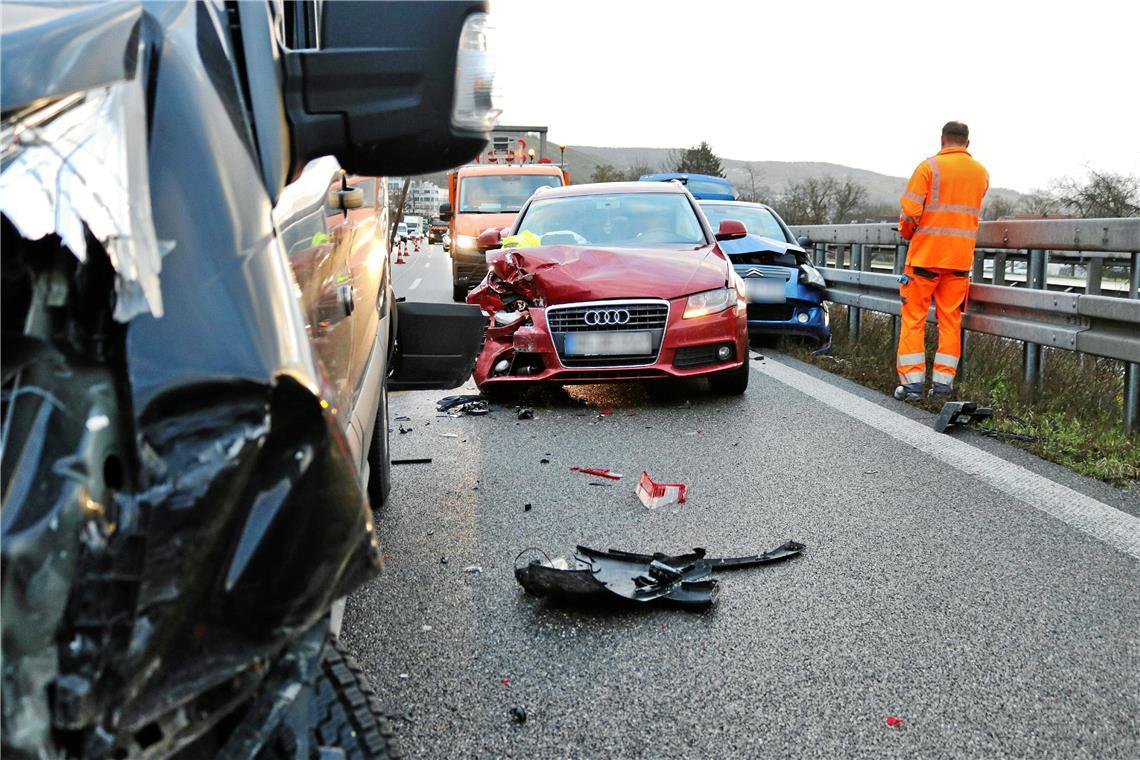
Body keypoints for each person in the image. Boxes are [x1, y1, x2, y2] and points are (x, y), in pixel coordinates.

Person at [895, 121, 989, 401]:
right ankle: (942, 386)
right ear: (967, 143)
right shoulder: (981, 173)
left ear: (942, 139)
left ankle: (912, 385)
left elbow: (910, 212)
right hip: (959, 262)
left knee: (914, 320)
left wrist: (907, 232)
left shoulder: (928, 167)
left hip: (925, 257)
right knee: (950, 322)